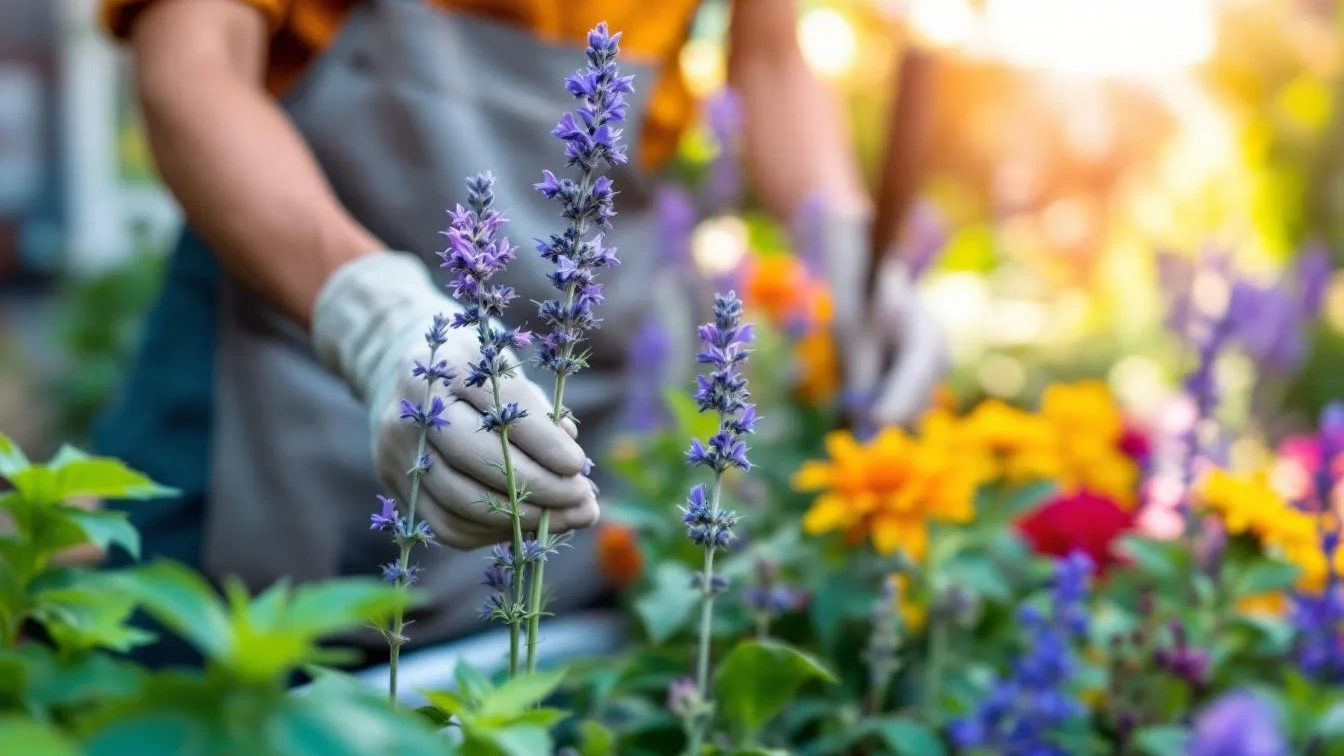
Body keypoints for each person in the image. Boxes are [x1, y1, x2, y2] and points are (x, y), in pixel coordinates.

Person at [96, 0, 946, 667]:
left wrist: (848, 260)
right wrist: (371, 318)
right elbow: (193, 59)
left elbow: (769, 55)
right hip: (284, 332)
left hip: (593, 370)